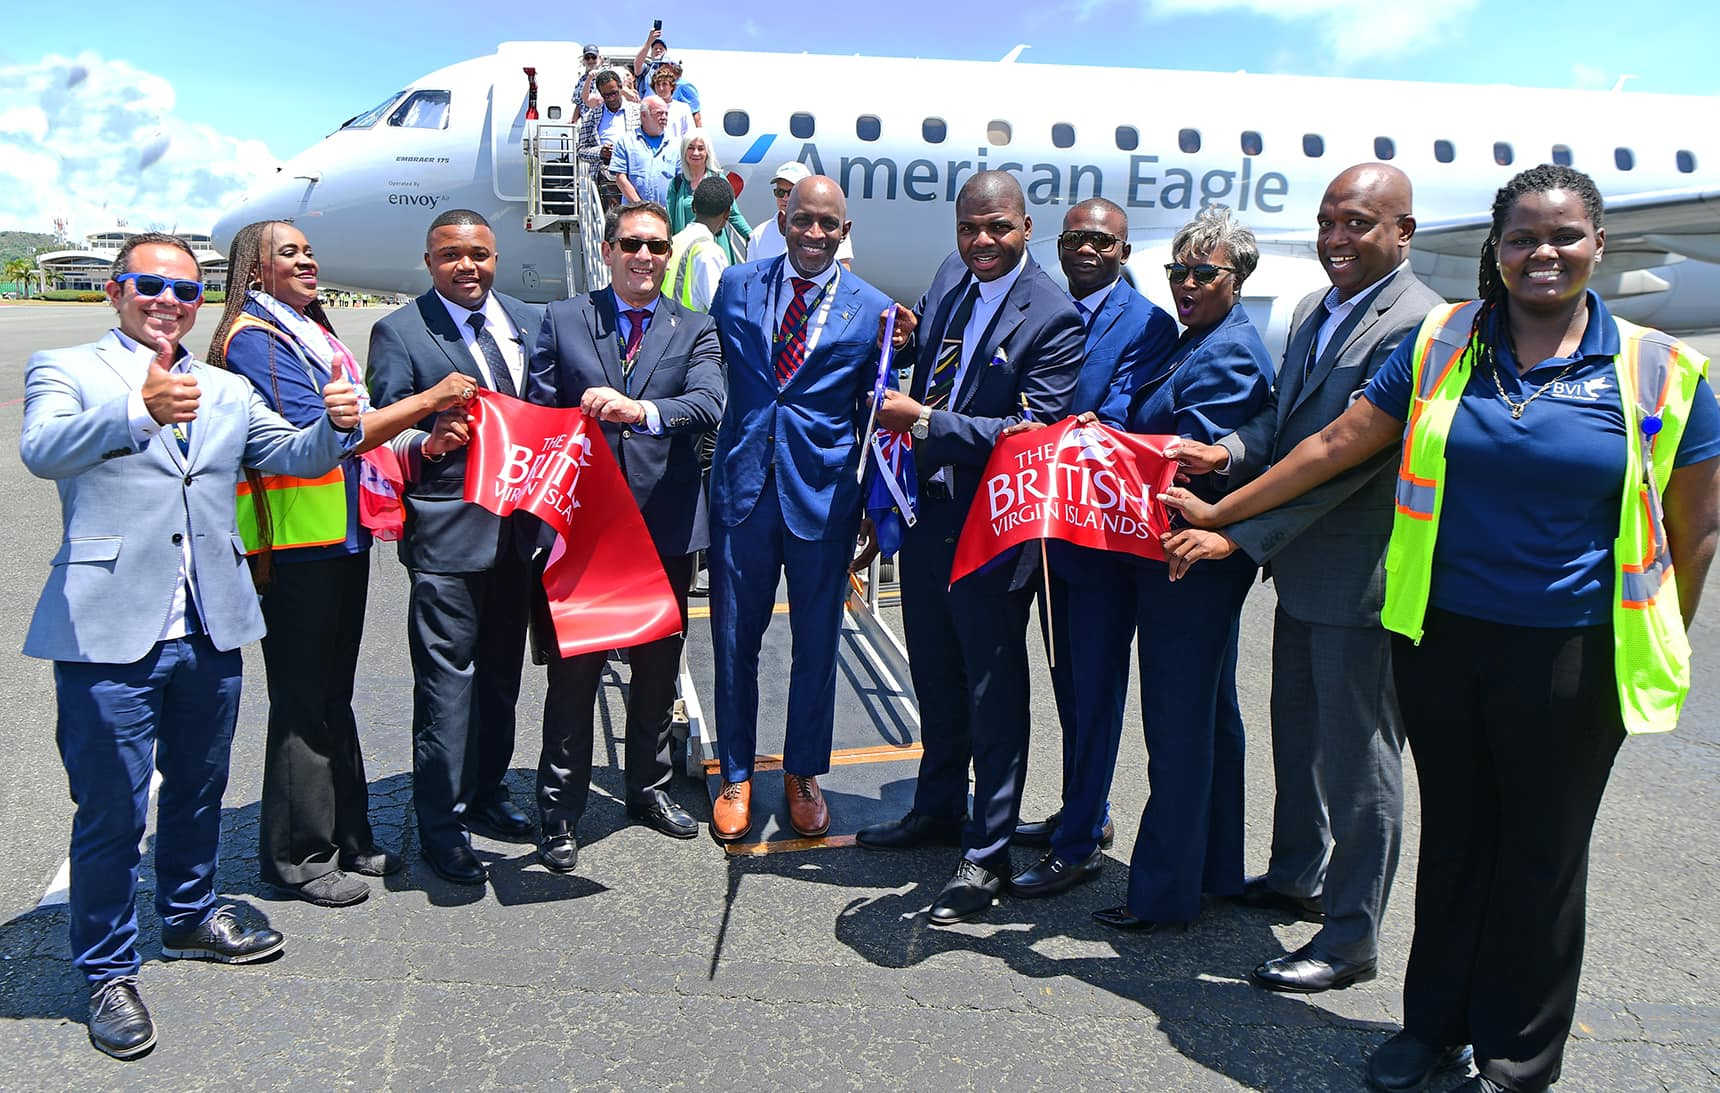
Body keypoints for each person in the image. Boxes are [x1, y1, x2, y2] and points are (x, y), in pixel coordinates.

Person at [1160, 164, 1720, 1093]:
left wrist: (1665, 631)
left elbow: (1694, 525)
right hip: (1445, 638)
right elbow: (1337, 441)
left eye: (1564, 236)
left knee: (1541, 857)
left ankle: (1516, 1058)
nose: (1543, 253)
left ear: (1598, 243)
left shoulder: (1657, 367)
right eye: (1522, 238)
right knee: (1456, 844)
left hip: (1576, 651)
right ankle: (1432, 1028)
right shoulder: (1443, 341)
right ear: (1497, 250)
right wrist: (1225, 513)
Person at [20, 233, 361, 1059]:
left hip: (210, 621)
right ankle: (107, 969)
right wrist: (137, 409)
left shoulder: (225, 387)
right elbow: (42, 449)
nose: (167, 301)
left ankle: (187, 912)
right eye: (149, 284)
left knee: (200, 786)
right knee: (112, 808)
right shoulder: (65, 369)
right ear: (115, 290)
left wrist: (336, 426)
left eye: (184, 290)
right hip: (108, 629)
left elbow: (289, 453)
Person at [1167, 164, 1444, 994]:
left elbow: (1343, 463)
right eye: (1327, 221)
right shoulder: (1316, 308)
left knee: (1360, 762)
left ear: (1403, 232)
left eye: (1358, 222)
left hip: (1360, 577)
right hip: (1303, 570)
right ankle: (1297, 875)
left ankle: (1351, 936)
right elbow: (1285, 423)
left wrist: (1235, 531)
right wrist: (1225, 452)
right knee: (1298, 733)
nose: (1336, 238)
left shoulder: (1418, 325)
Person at [206, 221, 475, 907]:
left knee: (332, 695)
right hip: (296, 545)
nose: (306, 259)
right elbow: (326, 437)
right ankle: (297, 856)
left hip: (337, 538)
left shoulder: (307, 332)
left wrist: (423, 444)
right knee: (303, 700)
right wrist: (427, 402)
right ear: (255, 271)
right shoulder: (254, 339)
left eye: (307, 250)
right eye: (287, 253)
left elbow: (365, 432)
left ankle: (348, 835)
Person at [855, 171, 1084, 926]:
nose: (981, 242)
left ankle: (987, 852)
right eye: (968, 228)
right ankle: (938, 806)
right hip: (929, 515)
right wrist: (908, 340)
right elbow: (936, 362)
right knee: (935, 671)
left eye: (997, 228)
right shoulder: (951, 280)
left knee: (992, 689)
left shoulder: (1053, 315)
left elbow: (1032, 430)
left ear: (1026, 227)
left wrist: (923, 422)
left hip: (993, 529)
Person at [1073, 204, 1275, 935]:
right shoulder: (1201, 338)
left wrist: (1100, 444)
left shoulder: (1227, 351)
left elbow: (1180, 462)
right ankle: (1212, 870)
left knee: (1178, 724)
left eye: (1203, 273)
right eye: (1178, 271)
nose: (1186, 284)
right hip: (1186, 560)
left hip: (1187, 560)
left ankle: (1160, 896)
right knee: (1210, 718)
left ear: (1236, 277)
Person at [524, 200, 725, 869]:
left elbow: (709, 402)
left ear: (669, 255)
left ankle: (648, 787)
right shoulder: (563, 319)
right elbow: (540, 416)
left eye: (657, 246)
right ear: (608, 249)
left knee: (657, 668)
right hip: (584, 529)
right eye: (632, 244)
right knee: (574, 674)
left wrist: (640, 411)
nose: (645, 256)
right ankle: (559, 810)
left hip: (664, 528)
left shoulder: (695, 327)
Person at [705, 175, 891, 841]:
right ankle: (735, 774)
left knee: (817, 643)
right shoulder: (736, 286)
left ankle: (803, 772)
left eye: (827, 224)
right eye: (803, 219)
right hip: (743, 490)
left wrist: (875, 506)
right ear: (783, 218)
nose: (814, 234)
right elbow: (711, 370)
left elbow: (878, 416)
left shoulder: (873, 311)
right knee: (734, 639)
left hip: (824, 495)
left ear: (845, 231)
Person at [367, 210, 546, 887]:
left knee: (502, 677)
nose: (466, 266)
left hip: (518, 533)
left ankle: (489, 789)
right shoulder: (401, 332)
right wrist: (429, 439)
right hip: (447, 535)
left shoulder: (527, 320)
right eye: (450, 255)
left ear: (495, 256)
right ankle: (442, 825)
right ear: (429, 262)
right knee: (447, 687)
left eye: (478, 254)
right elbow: (383, 434)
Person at [1010, 197, 1178, 899]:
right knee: (1068, 684)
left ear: (1124, 251)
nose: (1087, 249)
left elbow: (1125, 417)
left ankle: (1077, 846)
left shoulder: (1148, 324)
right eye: (1076, 237)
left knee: (1097, 689)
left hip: (1105, 542)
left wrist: (1062, 427)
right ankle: (1087, 808)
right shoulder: (1048, 307)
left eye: (1102, 241)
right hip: (1050, 535)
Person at [664, 129, 751, 263]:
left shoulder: (719, 179)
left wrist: (752, 236)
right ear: (684, 151)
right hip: (686, 252)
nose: (695, 153)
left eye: (700, 148)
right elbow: (669, 221)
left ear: (707, 152)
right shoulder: (677, 183)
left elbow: (733, 214)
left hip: (716, 248)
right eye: (690, 148)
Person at [750, 162, 855, 269]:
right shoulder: (759, 235)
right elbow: (751, 273)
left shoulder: (833, 230)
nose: (785, 198)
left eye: (791, 192)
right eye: (780, 192)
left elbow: (843, 268)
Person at [664, 175, 736, 313]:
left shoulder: (674, 242)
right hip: (690, 325)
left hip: (664, 321)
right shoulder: (710, 252)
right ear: (727, 213)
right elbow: (719, 308)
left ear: (693, 207)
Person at [576, 71, 639, 210]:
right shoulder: (591, 117)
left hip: (634, 173)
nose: (611, 98)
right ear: (600, 94)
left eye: (614, 93)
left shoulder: (638, 112)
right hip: (606, 174)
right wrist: (600, 152)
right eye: (606, 95)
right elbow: (581, 150)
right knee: (612, 217)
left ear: (621, 87)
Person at [611, 97, 679, 207]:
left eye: (666, 114)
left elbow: (680, 181)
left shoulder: (676, 145)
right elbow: (620, 178)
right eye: (659, 113)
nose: (664, 117)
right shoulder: (625, 142)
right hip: (634, 212)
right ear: (643, 115)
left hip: (667, 213)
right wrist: (641, 207)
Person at [646, 57, 698, 140]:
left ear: (671, 86)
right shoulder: (647, 108)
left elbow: (689, 135)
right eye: (658, 84)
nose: (661, 88)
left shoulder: (683, 108)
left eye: (664, 84)